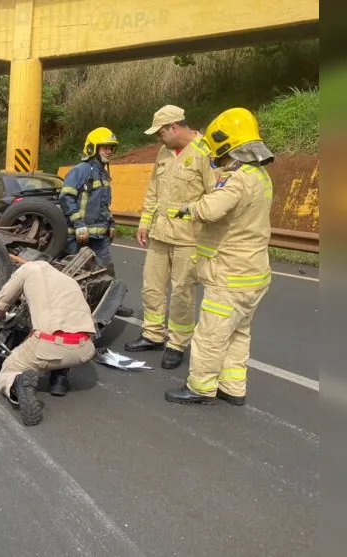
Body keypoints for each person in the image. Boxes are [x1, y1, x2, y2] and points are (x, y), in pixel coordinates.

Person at [165, 107, 274, 406]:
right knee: (239, 334)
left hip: (230, 275)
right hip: (254, 275)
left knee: (211, 335)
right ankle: (233, 388)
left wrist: (189, 209)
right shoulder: (261, 176)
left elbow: (212, 209)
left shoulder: (238, 179)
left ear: (228, 147)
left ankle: (200, 388)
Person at [124, 105, 217, 370]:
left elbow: (215, 197)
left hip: (188, 238)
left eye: (160, 133)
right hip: (160, 233)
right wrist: (144, 222)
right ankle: (152, 334)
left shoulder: (204, 152)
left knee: (182, 293)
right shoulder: (164, 152)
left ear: (173, 127)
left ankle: (177, 343)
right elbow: (153, 190)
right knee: (151, 286)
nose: (157, 138)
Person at [0, 260, 96, 426]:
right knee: (62, 332)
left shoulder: (28, 269)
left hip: (48, 347)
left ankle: (17, 383)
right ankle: (59, 379)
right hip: (85, 349)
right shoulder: (70, 281)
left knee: (9, 369)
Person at [59, 127, 134, 316]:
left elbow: (103, 204)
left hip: (99, 236)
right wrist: (78, 224)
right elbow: (65, 197)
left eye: (111, 148)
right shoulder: (80, 170)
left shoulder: (103, 173)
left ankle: (112, 305)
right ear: (93, 148)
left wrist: (111, 223)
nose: (109, 151)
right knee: (72, 274)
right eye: (105, 147)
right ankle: (67, 310)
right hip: (78, 237)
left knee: (106, 270)